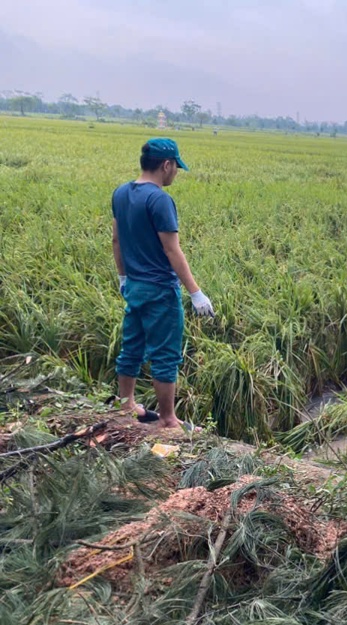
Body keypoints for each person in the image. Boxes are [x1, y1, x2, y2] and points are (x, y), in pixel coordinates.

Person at [112, 138, 215, 430]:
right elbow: (173, 250)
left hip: (134, 287)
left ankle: (127, 404)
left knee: (131, 345)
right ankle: (168, 419)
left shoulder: (120, 193)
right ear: (166, 165)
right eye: (176, 168)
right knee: (165, 353)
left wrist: (123, 276)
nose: (176, 174)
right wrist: (196, 292)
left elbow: (116, 239)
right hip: (159, 290)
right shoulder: (159, 199)